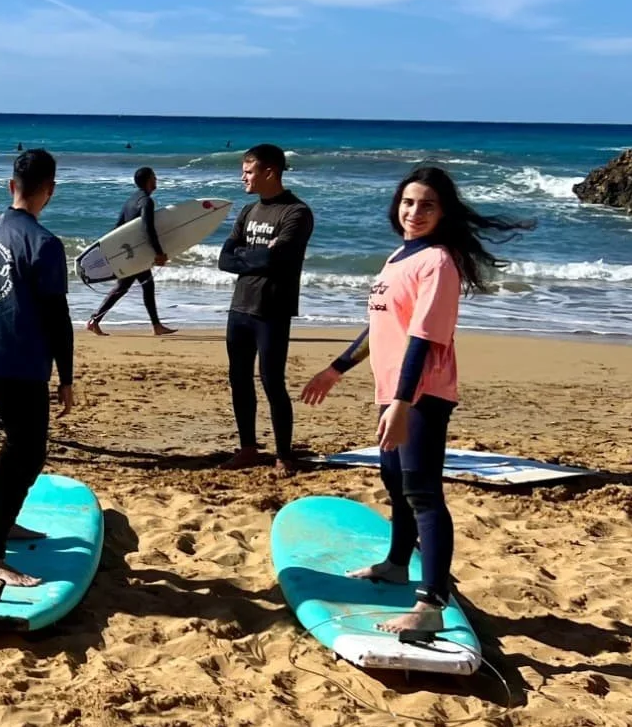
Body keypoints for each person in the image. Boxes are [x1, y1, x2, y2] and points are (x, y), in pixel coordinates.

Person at [303, 166, 529, 637]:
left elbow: (423, 338)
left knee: (423, 492)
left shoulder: (438, 262)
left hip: (421, 394)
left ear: (443, 211)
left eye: (427, 204)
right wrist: (336, 368)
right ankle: (395, 564)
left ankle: (431, 603)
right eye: (408, 202)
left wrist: (404, 402)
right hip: (393, 391)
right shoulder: (399, 257)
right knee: (394, 481)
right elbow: (381, 326)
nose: (414, 212)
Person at [0, 149, 75, 587]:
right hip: (26, 364)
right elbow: (58, 318)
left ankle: (3, 525)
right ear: (49, 190)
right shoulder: (45, 244)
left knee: (21, 447)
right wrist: (66, 377)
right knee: (26, 451)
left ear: (11, 186)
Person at [218, 144, 314, 472]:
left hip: (272, 310)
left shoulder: (296, 213)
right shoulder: (248, 212)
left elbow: (277, 258)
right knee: (239, 379)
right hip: (240, 307)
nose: (242, 177)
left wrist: (251, 256)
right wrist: (257, 257)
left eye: (248, 171)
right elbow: (224, 258)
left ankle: (284, 454)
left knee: (272, 380)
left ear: (269, 172)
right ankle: (247, 448)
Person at [87, 167, 176, 336]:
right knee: (134, 286)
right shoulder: (146, 202)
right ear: (149, 180)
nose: (156, 180)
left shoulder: (130, 200)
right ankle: (95, 320)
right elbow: (147, 228)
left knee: (135, 286)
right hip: (137, 253)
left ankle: (95, 320)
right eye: (154, 178)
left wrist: (112, 251)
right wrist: (159, 252)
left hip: (129, 252)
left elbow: (117, 227)